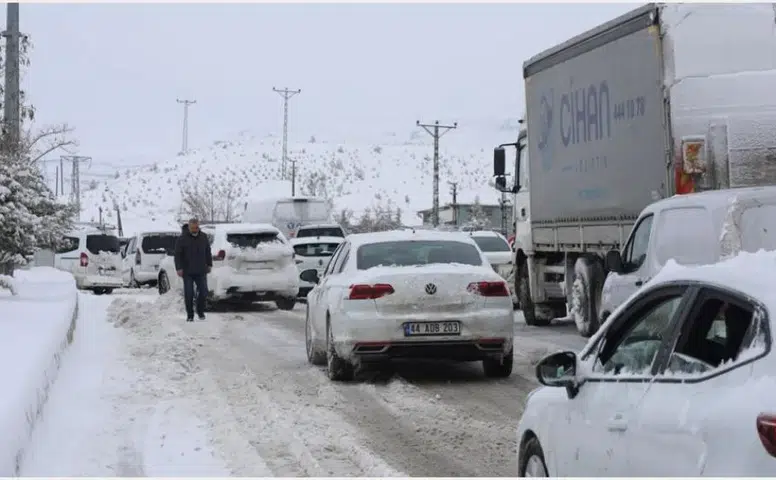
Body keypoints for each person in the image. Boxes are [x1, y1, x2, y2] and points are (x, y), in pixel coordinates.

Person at [174, 218, 212, 322]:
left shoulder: (203, 237)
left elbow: (208, 251)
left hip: (201, 270)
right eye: (193, 228)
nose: (195, 229)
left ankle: (200, 311)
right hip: (187, 271)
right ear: (189, 227)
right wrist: (179, 268)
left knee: (204, 292)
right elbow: (177, 255)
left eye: (197, 227)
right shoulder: (182, 239)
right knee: (189, 293)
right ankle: (190, 315)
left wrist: (209, 264)